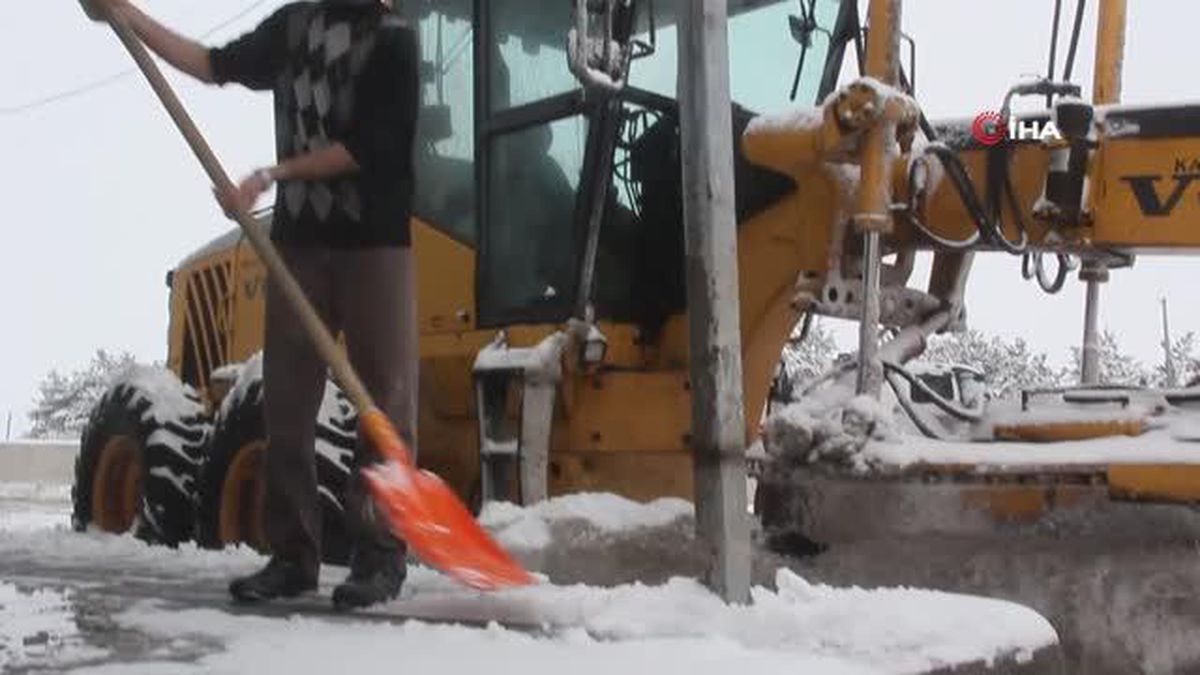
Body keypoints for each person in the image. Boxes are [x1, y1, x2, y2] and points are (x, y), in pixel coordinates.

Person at [85, 0, 421, 611]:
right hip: (299, 245)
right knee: (288, 406)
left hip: (374, 245)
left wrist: (270, 175)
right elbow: (211, 63)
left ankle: (379, 554)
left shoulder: (394, 39)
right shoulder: (295, 27)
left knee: (386, 406)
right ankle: (293, 556)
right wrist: (128, 16)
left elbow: (366, 149)